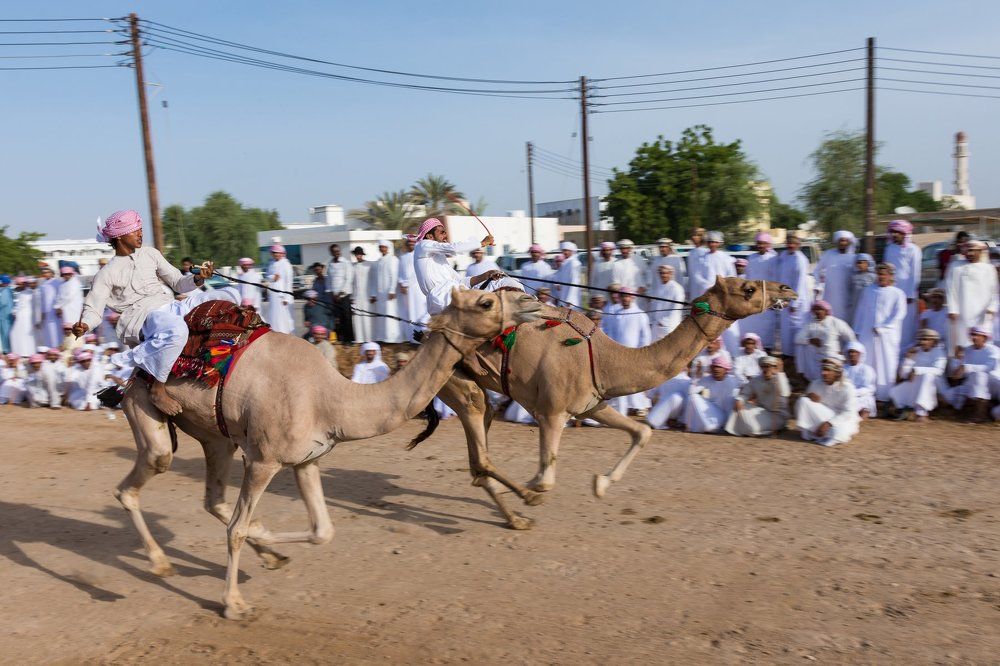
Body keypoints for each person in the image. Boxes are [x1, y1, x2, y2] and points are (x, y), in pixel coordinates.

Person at [72, 209, 236, 415]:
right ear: (120, 236)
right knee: (177, 331)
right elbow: (93, 309)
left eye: (141, 229)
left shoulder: (150, 254)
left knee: (229, 295)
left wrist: (198, 278)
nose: (141, 234)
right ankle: (158, 389)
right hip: (143, 317)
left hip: (170, 306)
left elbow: (178, 282)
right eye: (135, 230)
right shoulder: (106, 274)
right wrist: (85, 325)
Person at [411, 218, 510, 315]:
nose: (445, 235)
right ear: (430, 236)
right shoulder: (423, 245)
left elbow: (461, 281)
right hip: (442, 298)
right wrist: (482, 243)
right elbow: (454, 248)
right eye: (442, 232)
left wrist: (486, 275)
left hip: (452, 295)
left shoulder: (439, 259)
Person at [853, 263, 907, 403]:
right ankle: (866, 393)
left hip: (887, 337)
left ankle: (884, 395)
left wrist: (884, 328)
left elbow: (899, 314)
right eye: (879, 274)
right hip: (867, 333)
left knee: (886, 364)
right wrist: (857, 330)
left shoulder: (897, 293)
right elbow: (860, 311)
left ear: (890, 276)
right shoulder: (868, 291)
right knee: (867, 361)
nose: (881, 277)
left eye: (884, 274)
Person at [795, 356, 860, 446]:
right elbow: (804, 405)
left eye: (828, 370)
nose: (823, 373)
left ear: (837, 373)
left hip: (843, 419)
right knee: (803, 401)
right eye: (823, 369)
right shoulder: (815, 383)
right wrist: (808, 396)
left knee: (838, 432)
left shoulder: (848, 388)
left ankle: (820, 432)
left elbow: (848, 413)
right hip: (824, 416)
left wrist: (829, 424)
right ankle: (814, 431)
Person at [607, 289, 652, 417]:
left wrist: (640, 353)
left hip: (634, 354)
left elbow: (645, 336)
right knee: (620, 383)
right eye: (623, 296)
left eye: (627, 296)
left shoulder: (640, 314)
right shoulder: (616, 314)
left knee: (635, 382)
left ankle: (640, 406)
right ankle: (622, 411)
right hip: (618, 354)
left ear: (632, 298)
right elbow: (611, 334)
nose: (625, 299)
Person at [946, 240, 998, 349]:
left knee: (983, 340)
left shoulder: (989, 269)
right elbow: (950, 289)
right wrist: (952, 309)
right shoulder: (956, 266)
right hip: (962, 311)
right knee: (962, 340)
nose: (970, 253)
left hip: (982, 313)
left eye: (973, 251)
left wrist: (992, 308)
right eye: (968, 250)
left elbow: (994, 291)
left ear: (980, 252)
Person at [889, 329, 947, 422]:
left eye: (926, 339)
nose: (922, 342)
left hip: (936, 384)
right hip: (916, 381)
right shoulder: (916, 351)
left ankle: (922, 413)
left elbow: (939, 371)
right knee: (896, 392)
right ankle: (908, 410)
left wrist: (916, 370)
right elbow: (903, 374)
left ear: (933, 341)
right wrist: (908, 359)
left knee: (927, 376)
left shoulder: (939, 352)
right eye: (921, 339)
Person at [944, 326, 999, 423]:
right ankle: (981, 408)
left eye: (977, 335)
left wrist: (967, 367)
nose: (974, 337)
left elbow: (990, 368)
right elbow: (961, 372)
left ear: (984, 337)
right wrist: (957, 366)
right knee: (948, 395)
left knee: (979, 375)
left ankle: (979, 415)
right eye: (972, 335)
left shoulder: (993, 350)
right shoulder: (967, 350)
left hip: (994, 384)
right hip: (974, 384)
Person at [725, 355, 790, 436]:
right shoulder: (756, 380)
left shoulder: (780, 378)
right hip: (762, 411)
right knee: (738, 404)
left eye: (769, 367)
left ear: (775, 368)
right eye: (764, 366)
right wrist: (740, 400)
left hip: (778, 416)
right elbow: (745, 393)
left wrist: (780, 373)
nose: (766, 369)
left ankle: (759, 430)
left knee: (752, 428)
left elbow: (785, 393)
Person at [794, 300, 856, 382]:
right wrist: (810, 341)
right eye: (815, 309)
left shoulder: (835, 322)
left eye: (820, 309)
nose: (817, 311)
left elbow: (851, 338)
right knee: (801, 346)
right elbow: (797, 338)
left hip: (832, 356)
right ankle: (802, 375)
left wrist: (844, 351)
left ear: (826, 311)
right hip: (815, 357)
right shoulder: (810, 323)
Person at [883, 219, 922, 346]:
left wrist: (910, 294)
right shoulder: (889, 248)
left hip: (907, 292)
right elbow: (886, 269)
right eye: (892, 232)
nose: (894, 235)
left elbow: (915, 272)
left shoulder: (913, 249)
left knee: (906, 321)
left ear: (905, 234)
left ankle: (906, 347)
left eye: (897, 232)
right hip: (891, 289)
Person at [777, 234, 812, 361]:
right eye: (789, 243)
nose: (791, 245)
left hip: (797, 301)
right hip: (784, 297)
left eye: (793, 243)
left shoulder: (800, 259)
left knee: (796, 328)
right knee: (785, 328)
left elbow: (800, 283)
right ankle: (787, 354)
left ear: (798, 245)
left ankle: (797, 356)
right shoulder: (784, 255)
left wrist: (794, 303)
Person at [684, 355, 740, 433]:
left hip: (728, 416)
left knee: (734, 399)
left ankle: (725, 427)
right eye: (714, 367)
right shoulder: (707, 379)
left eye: (719, 367)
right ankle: (689, 426)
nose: (716, 369)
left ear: (726, 369)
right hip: (713, 414)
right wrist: (696, 377)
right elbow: (691, 393)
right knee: (693, 397)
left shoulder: (733, 381)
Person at [743, 232, 779, 349]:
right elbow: (748, 277)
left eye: (763, 243)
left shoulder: (773, 258)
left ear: (768, 244)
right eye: (759, 243)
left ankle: (767, 347)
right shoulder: (751, 258)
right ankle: (753, 345)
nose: (761, 245)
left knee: (768, 322)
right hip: (753, 295)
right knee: (753, 321)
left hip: (768, 295)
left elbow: (776, 278)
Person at [813, 230, 857, 320]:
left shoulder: (853, 258)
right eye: (841, 240)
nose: (843, 243)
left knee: (846, 320)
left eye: (845, 241)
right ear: (837, 242)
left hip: (847, 296)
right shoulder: (828, 254)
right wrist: (818, 285)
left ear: (849, 242)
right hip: (830, 295)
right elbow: (817, 270)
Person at [368, 239, 404, 343]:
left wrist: (392, 290)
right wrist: (374, 294)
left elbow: (394, 276)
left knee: (391, 313)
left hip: (389, 293)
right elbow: (375, 279)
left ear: (388, 248)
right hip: (380, 293)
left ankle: (392, 338)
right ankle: (383, 337)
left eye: (384, 247)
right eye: (380, 247)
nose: (382, 249)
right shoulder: (379, 261)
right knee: (382, 315)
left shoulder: (393, 259)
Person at [397, 236, 428, 342]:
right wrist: (402, 284)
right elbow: (400, 273)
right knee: (409, 313)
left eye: (413, 243)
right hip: (407, 291)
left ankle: (422, 335)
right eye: (409, 243)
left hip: (419, 288)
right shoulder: (402, 257)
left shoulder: (420, 255)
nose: (411, 245)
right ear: (406, 244)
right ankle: (412, 337)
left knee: (421, 311)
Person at [646, 363, 692, 430]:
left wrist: (652, 408)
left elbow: (649, 395)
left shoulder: (663, 378)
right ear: (686, 368)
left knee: (676, 398)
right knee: (678, 398)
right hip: (677, 416)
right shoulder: (688, 381)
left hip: (659, 411)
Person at [647, 265, 685, 340]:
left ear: (671, 274)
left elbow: (677, 307)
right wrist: (652, 320)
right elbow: (654, 306)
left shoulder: (677, 288)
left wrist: (664, 322)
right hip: (656, 326)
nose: (663, 275)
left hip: (670, 326)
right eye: (661, 273)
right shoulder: (658, 288)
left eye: (666, 273)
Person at [264, 244, 295, 334]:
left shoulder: (286, 264)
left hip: (283, 296)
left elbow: (289, 282)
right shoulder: (271, 264)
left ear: (282, 253)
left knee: (285, 317)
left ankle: (285, 333)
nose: (276, 254)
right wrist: (273, 277)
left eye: (278, 253)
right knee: (274, 315)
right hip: (273, 295)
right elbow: (267, 276)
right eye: (274, 253)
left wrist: (287, 298)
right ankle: (275, 332)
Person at [843, 341, 877, 419]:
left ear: (860, 354)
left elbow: (868, 389)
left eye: (854, 352)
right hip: (845, 395)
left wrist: (852, 393)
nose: (852, 354)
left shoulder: (867, 369)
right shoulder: (842, 368)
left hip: (862, 396)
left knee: (859, 404)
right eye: (850, 352)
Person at [55, 265, 84, 349]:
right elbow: (59, 296)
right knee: (67, 330)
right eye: (64, 274)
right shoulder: (62, 284)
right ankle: (67, 347)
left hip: (74, 311)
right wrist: (57, 307)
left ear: (72, 274)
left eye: (68, 274)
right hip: (65, 311)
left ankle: (77, 348)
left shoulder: (75, 283)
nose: (66, 275)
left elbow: (69, 296)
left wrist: (58, 306)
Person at [34, 267, 62, 348]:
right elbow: (42, 300)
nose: (46, 274)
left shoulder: (57, 282)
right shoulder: (42, 285)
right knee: (48, 331)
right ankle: (50, 348)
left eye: (47, 272)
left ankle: (58, 347)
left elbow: (60, 295)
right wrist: (42, 312)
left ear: (52, 273)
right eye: (44, 273)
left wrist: (58, 307)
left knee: (56, 330)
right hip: (46, 312)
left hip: (55, 311)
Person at [10, 277, 37, 356]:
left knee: (22, 333)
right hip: (23, 315)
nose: (19, 285)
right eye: (18, 284)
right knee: (19, 334)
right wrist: (15, 311)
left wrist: (14, 312)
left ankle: (26, 352)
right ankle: (23, 352)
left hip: (26, 316)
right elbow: (19, 305)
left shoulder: (29, 293)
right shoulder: (23, 292)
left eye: (20, 284)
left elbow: (22, 305)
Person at [351, 246, 373, 343]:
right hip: (357, 296)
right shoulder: (353, 266)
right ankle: (359, 339)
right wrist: (352, 297)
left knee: (367, 317)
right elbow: (352, 283)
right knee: (357, 317)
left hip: (367, 295)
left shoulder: (369, 265)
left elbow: (373, 280)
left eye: (359, 254)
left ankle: (369, 338)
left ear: (362, 255)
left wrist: (373, 294)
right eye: (356, 254)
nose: (358, 256)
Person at [847, 253, 876, 324]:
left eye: (863, 262)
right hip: (856, 303)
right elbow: (850, 290)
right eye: (859, 262)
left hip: (869, 303)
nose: (861, 265)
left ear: (868, 263)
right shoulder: (853, 276)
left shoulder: (873, 277)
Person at [552, 241, 582, 308]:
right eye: (563, 250)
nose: (564, 252)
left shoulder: (574, 263)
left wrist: (570, 300)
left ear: (571, 251)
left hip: (571, 298)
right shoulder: (566, 263)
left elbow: (574, 282)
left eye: (566, 250)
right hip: (563, 295)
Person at [920, 288, 950, 353]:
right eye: (934, 297)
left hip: (947, 343)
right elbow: (923, 330)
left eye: (939, 297)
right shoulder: (925, 314)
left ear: (943, 299)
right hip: (932, 344)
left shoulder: (948, 311)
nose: (936, 299)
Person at [685, 227, 708, 299]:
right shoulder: (691, 253)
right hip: (693, 289)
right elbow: (690, 273)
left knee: (703, 305)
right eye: (693, 235)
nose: (694, 237)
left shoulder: (706, 252)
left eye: (697, 235)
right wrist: (688, 289)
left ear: (702, 237)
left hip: (704, 289)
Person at [0, 275, 12, 354]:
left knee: (5, 332)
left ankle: (7, 349)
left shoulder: (4, 290)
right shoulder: (7, 289)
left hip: (5, 314)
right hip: (5, 314)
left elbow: (3, 302)